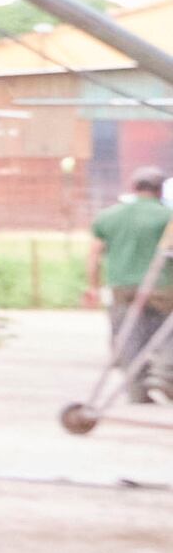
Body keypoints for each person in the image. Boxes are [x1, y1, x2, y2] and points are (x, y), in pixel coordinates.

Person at [104, 167, 170, 396]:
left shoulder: (110, 215)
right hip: (162, 286)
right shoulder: (167, 217)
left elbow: (95, 252)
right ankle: (166, 375)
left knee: (130, 336)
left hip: (121, 285)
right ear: (160, 190)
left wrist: (92, 286)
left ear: (133, 188)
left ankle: (136, 390)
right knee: (166, 331)